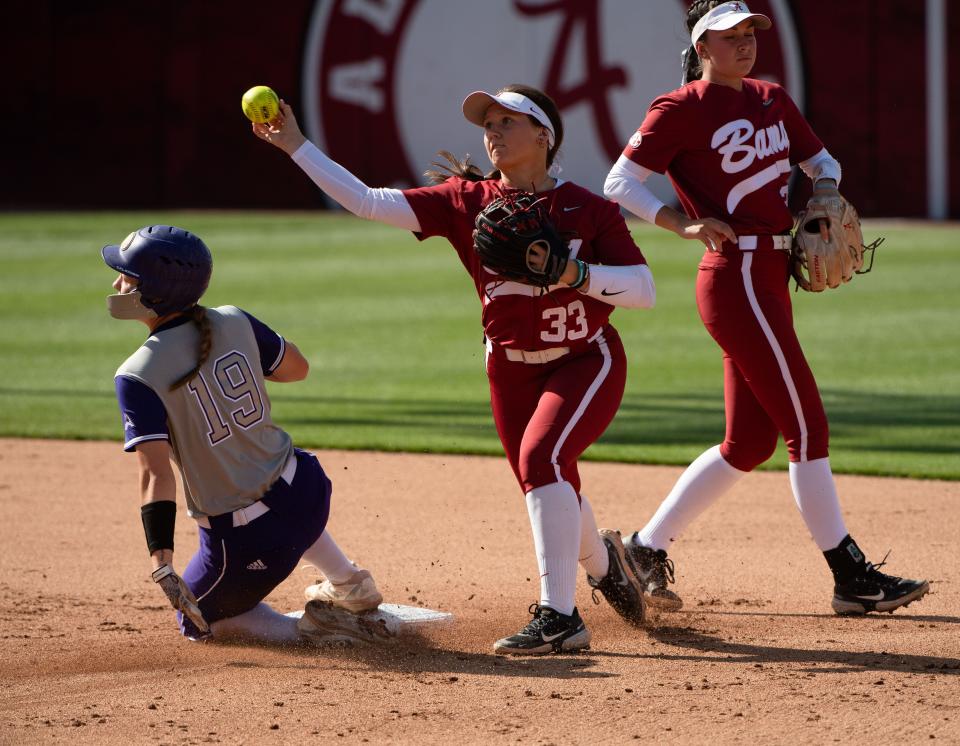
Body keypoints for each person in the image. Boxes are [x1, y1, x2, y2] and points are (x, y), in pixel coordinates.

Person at [251, 84, 656, 654]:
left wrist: (573, 273)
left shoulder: (587, 209)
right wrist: (297, 145)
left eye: (505, 121)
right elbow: (368, 201)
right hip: (509, 370)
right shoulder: (466, 200)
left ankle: (559, 617)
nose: (491, 131)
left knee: (544, 462)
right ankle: (607, 565)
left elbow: (644, 290)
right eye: (486, 123)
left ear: (544, 135)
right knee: (546, 479)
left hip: (585, 360)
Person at [604, 1, 929, 615]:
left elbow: (821, 162)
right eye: (730, 35)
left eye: (750, 31)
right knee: (807, 427)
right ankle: (851, 576)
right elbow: (620, 183)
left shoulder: (771, 99)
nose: (745, 43)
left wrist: (826, 190)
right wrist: (682, 223)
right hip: (736, 277)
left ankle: (644, 547)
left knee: (749, 442)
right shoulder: (680, 109)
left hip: (771, 274)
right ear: (703, 48)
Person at [104, 224, 391, 647]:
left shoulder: (137, 373)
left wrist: (161, 558)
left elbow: (155, 477)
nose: (117, 283)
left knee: (199, 623)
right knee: (281, 489)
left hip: (251, 538)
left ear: (152, 292)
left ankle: (311, 632)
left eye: (126, 276)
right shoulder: (233, 319)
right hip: (308, 490)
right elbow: (297, 369)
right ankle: (348, 582)